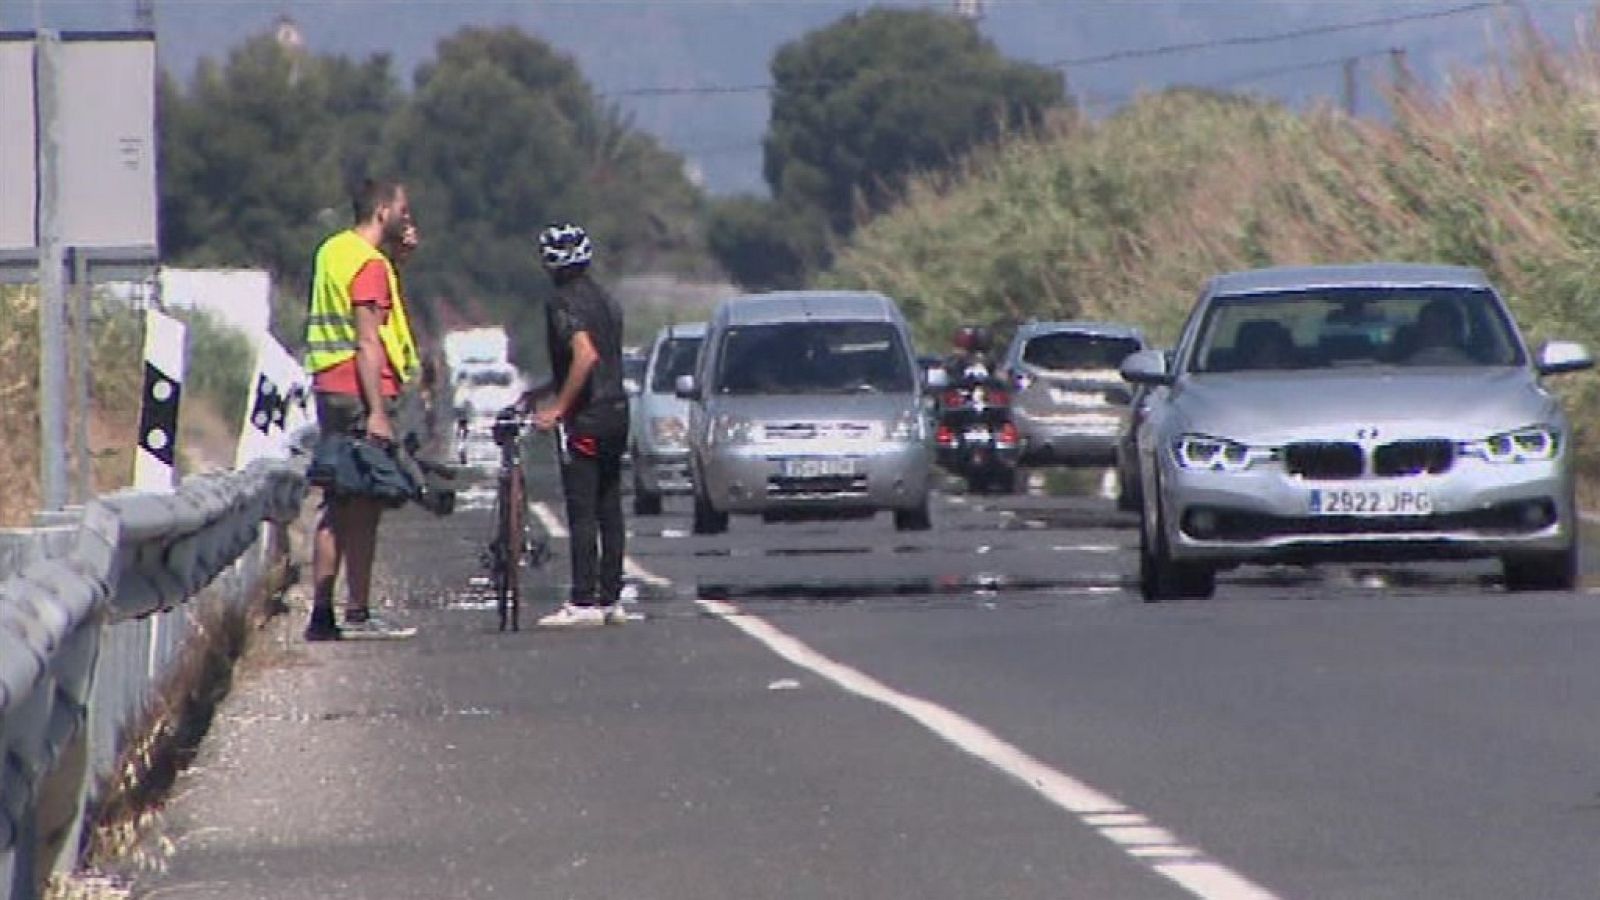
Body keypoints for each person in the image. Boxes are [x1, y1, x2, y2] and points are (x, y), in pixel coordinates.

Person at [302, 178, 422, 641]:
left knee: (337, 499)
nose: (408, 220)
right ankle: (357, 610)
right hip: (359, 391)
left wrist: (398, 261)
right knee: (364, 504)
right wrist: (377, 412)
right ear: (381, 212)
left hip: (329, 384)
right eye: (403, 211)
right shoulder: (369, 265)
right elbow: (368, 341)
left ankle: (322, 612)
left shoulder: (333, 251)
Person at [527, 223, 630, 628]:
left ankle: (583, 600)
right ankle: (611, 599)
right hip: (617, 412)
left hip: (587, 418)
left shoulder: (562, 302)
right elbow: (599, 359)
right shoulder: (606, 299)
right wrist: (541, 391)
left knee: (582, 509)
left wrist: (558, 408)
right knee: (610, 507)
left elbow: (585, 357)